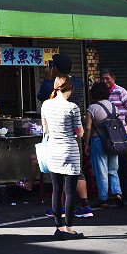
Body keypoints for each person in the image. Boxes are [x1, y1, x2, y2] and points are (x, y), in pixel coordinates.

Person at [40, 54, 92, 220]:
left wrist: (48, 78)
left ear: (54, 68)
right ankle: (84, 204)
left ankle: (60, 210)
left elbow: (42, 97)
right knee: (77, 170)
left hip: (57, 136)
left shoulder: (52, 86)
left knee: (59, 173)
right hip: (74, 135)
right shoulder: (78, 83)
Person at [41, 74, 85, 238]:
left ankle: (58, 228)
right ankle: (69, 228)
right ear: (71, 89)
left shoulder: (45, 104)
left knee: (56, 190)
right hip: (69, 152)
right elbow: (79, 133)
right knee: (70, 191)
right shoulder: (72, 107)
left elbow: (45, 129)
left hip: (53, 150)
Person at [85, 82, 124, 208]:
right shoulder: (114, 107)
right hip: (114, 141)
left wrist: (87, 144)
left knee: (101, 170)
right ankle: (117, 192)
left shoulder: (92, 108)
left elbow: (88, 128)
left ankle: (103, 199)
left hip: (98, 141)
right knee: (113, 169)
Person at [101, 67, 127, 176]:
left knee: (122, 162)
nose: (105, 81)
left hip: (121, 133)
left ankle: (125, 187)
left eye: (107, 78)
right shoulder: (105, 93)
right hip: (110, 133)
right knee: (114, 164)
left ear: (113, 78)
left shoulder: (120, 91)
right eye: (103, 79)